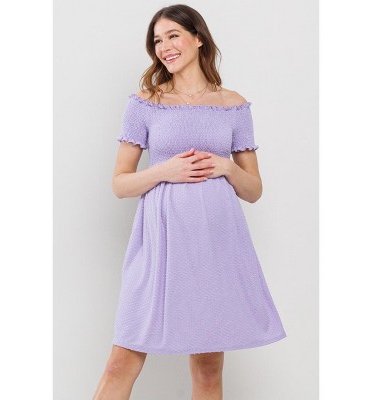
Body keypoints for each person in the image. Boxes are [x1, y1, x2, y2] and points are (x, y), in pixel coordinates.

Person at [93, 4, 287, 400]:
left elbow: (253, 190)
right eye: (157, 40)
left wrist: (226, 167)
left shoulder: (233, 105)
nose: (164, 47)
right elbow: (120, 184)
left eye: (173, 36)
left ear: (198, 38)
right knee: (120, 363)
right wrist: (164, 170)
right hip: (159, 244)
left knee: (207, 369)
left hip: (213, 246)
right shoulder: (146, 102)